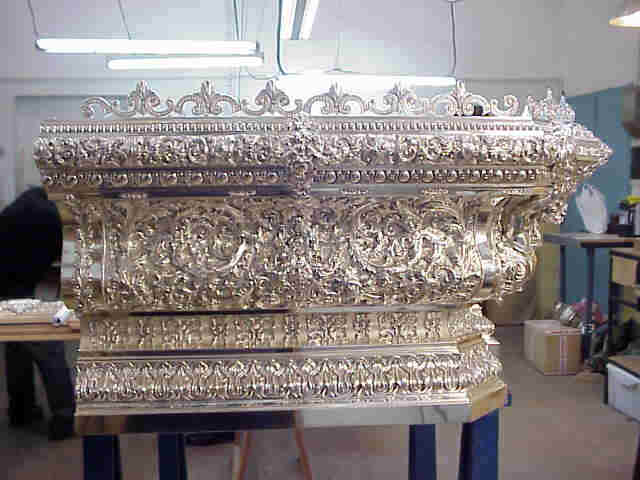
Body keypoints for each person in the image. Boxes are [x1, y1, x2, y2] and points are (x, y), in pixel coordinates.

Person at [0, 186, 75, 440]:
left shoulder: (32, 197)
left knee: (17, 342)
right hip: (13, 285)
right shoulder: (53, 219)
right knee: (48, 343)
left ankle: (21, 410)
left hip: (8, 282)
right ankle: (65, 417)